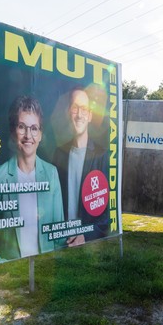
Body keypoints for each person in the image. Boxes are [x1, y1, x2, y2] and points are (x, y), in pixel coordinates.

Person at [0, 95, 65, 266]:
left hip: (46, 274)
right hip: (10, 281)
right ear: (13, 132)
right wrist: (3, 268)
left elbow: (58, 235)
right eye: (22, 127)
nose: (28, 135)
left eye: (34, 128)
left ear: (41, 134)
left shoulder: (51, 174)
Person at [53, 87, 109, 246]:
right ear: (67, 113)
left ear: (90, 115)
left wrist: (85, 236)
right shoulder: (59, 154)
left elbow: (106, 216)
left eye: (84, 109)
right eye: (75, 108)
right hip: (61, 241)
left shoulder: (102, 156)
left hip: (86, 244)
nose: (79, 115)